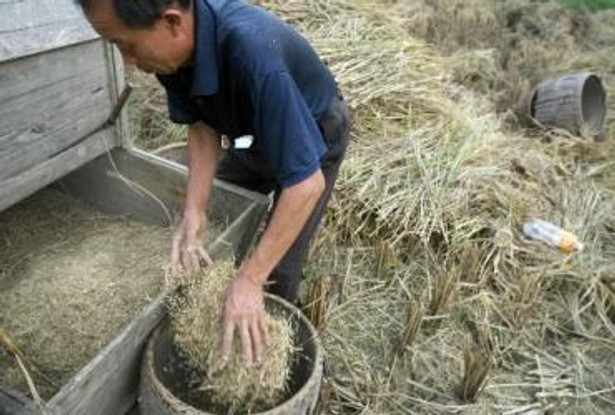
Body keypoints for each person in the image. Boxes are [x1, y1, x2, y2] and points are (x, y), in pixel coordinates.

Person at [77, 0, 350, 365]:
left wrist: (251, 279)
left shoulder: (251, 54)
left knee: (277, 269)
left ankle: (260, 353)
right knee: (222, 214)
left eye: (125, 44)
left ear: (172, 22)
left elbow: (306, 184)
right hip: (251, 132)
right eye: (116, 46)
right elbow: (203, 125)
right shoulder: (170, 55)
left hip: (313, 128)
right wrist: (194, 210)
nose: (127, 60)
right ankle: (221, 303)